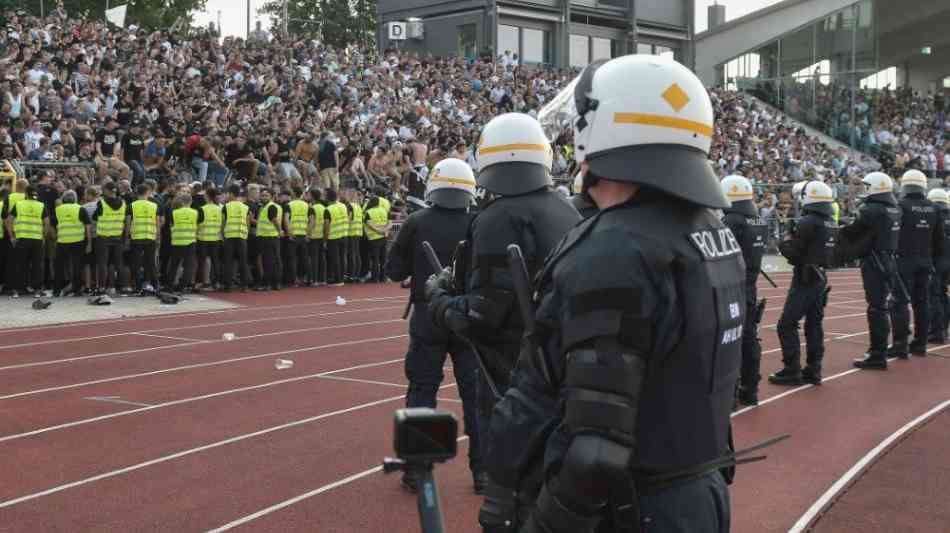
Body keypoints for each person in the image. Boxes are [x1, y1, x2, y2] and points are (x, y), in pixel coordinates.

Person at [484, 55, 740, 533]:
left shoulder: (616, 247)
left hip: (632, 508)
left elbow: (597, 448)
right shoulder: (710, 231)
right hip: (696, 491)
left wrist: (544, 524)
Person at [425, 112, 580, 531]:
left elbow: (482, 314)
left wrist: (439, 301)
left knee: (509, 505)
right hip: (566, 370)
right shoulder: (567, 212)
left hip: (517, 377)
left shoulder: (497, 218)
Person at [385, 157, 484, 494]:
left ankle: (416, 469)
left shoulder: (416, 221)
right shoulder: (479, 221)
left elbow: (394, 271)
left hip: (429, 314)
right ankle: (483, 471)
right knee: (475, 395)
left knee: (423, 389)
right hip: (467, 314)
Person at [769, 181, 838, 386]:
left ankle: (792, 369)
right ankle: (813, 369)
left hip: (806, 277)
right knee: (814, 324)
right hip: (820, 276)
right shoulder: (830, 221)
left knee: (786, 325)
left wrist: (784, 241)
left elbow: (795, 254)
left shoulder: (808, 221)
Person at [841, 173, 903, 370]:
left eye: (867, 186)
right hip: (889, 259)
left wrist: (839, 231)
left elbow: (852, 232)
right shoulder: (894, 207)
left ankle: (877, 354)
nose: (864, 189)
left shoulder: (870, 209)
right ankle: (881, 350)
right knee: (882, 306)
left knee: (876, 308)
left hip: (875, 261)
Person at [720, 175, 768, 405]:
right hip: (750, 284)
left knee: (728, 339)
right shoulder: (758, 219)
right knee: (749, 337)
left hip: (731, 286)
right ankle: (751, 388)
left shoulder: (732, 221)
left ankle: (729, 394)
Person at [888, 169, 943, 357]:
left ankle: (900, 345)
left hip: (903, 261)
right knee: (923, 302)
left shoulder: (900, 205)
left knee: (899, 303)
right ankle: (920, 344)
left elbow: (892, 234)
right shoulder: (934, 208)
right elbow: (939, 240)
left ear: (905, 185)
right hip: (925, 261)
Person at [5, 185, 49, 298]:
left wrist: (11, 236)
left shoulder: (19, 204)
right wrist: (43, 237)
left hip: (22, 239)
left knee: (20, 265)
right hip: (37, 240)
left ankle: (19, 289)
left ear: (26, 194)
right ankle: (37, 290)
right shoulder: (41, 206)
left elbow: (9, 221)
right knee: (37, 265)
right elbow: (47, 223)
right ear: (36, 194)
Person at [93, 182, 128, 295]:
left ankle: (102, 287)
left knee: (103, 263)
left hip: (104, 237)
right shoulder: (123, 203)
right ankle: (123, 287)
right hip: (117, 236)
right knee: (118, 263)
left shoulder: (102, 203)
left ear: (107, 191)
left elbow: (95, 217)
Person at [127, 184, 161, 293]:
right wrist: (158, 237)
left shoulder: (131, 206)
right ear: (147, 192)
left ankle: (138, 286)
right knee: (151, 263)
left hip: (136, 237)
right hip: (150, 237)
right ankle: (155, 285)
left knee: (136, 263)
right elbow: (157, 223)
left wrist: (127, 237)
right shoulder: (154, 205)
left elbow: (128, 223)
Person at [927, 188, 950, 344]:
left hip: (937, 260)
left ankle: (937, 331)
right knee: (943, 294)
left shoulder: (932, 216)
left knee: (934, 295)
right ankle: (944, 328)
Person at [221, 185, 252, 292]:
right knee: (243, 262)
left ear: (231, 194)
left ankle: (227, 286)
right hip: (242, 237)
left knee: (228, 262)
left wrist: (223, 234)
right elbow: (248, 223)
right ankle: (245, 286)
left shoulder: (226, 206)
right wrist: (245, 234)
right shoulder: (245, 207)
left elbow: (223, 223)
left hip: (229, 237)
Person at [167, 192, 199, 293]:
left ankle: (170, 285)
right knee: (189, 266)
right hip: (190, 242)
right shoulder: (195, 212)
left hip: (177, 241)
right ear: (191, 201)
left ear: (181, 201)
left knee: (174, 266)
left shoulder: (174, 212)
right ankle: (182, 286)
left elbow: (171, 226)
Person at [255, 189, 283, 291]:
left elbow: (274, 220)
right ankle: (276, 283)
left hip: (268, 237)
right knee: (275, 261)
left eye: (266, 196)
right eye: (262, 195)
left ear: (271, 197)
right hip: (271, 237)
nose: (263, 197)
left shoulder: (270, 207)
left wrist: (280, 230)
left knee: (268, 262)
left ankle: (267, 284)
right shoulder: (273, 207)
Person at [196, 189, 224, 291]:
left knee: (201, 262)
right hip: (216, 238)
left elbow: (198, 224)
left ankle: (200, 282)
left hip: (203, 238)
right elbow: (222, 223)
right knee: (215, 261)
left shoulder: (202, 209)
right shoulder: (220, 209)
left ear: (207, 196)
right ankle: (216, 283)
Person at [284, 186, 311, 286]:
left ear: (294, 193)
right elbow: (312, 220)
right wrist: (308, 233)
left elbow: (286, 219)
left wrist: (289, 233)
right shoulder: (307, 205)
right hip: (303, 234)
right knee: (304, 258)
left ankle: (294, 279)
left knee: (292, 258)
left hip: (293, 235)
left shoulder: (289, 205)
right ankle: (305, 278)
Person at [324, 188, 348, 287]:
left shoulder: (328, 209)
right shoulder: (343, 206)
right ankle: (342, 278)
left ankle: (337, 280)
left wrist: (325, 240)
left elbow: (326, 226)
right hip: (344, 234)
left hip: (333, 236)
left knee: (335, 259)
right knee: (342, 258)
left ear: (328, 198)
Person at [364, 196, 390, 282]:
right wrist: (385, 231)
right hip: (384, 237)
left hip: (374, 238)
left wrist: (379, 231)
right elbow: (390, 223)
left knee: (375, 259)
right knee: (383, 259)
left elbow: (370, 225)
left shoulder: (368, 212)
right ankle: (384, 277)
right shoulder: (384, 211)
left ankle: (375, 278)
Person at [308, 189, 327, 286]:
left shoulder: (312, 208)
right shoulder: (323, 207)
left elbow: (312, 222)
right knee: (322, 258)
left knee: (314, 259)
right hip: (322, 235)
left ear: (312, 196)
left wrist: (308, 234)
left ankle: (314, 280)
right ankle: (322, 279)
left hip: (314, 235)